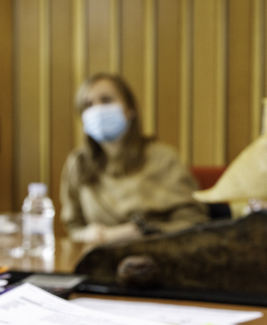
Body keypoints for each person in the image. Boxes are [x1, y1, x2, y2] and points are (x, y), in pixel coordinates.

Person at [60, 74, 208, 244]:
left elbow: (193, 221)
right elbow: (74, 226)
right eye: (88, 105)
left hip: (157, 251)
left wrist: (142, 232)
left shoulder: (163, 158)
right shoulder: (78, 163)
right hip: (99, 254)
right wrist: (88, 234)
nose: (97, 110)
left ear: (130, 109)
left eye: (106, 100)